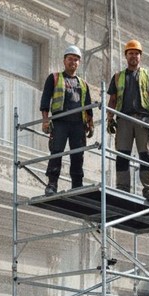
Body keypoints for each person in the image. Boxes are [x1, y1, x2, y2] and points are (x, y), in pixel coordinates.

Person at [106, 39, 149, 203]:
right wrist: (110, 118)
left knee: (145, 155)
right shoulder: (118, 77)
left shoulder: (148, 76)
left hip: (143, 119)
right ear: (126, 56)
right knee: (122, 154)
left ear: (140, 56)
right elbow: (112, 100)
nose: (134, 56)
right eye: (131, 53)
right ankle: (122, 188)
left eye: (136, 53)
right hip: (123, 119)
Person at [39, 44, 94, 195]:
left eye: (76, 60)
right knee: (56, 152)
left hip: (78, 124)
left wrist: (90, 123)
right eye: (70, 59)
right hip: (60, 122)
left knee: (78, 154)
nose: (73, 62)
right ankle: (52, 184)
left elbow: (88, 106)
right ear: (64, 61)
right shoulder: (55, 78)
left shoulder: (83, 84)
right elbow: (45, 101)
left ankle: (77, 185)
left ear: (79, 63)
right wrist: (45, 120)